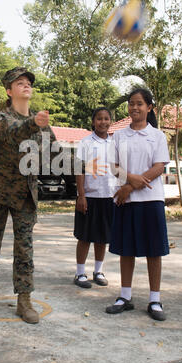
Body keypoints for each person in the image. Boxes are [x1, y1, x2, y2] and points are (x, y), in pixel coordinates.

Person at [0, 67, 56, 324]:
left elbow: (55, 154)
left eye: (28, 82)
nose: (26, 85)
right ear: (9, 91)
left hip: (24, 195)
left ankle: (24, 300)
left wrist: (88, 165)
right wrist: (34, 123)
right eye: (19, 83)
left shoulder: (40, 122)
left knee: (24, 248)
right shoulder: (1, 118)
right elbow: (11, 134)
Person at [105, 87, 170, 321]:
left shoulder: (157, 136)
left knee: (154, 251)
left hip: (150, 200)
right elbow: (113, 167)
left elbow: (159, 166)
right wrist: (129, 180)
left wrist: (129, 186)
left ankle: (154, 299)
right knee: (126, 249)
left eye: (140, 103)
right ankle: (124, 296)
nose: (135, 107)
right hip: (126, 201)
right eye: (131, 103)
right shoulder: (119, 136)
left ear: (149, 107)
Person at [73, 107, 117, 288]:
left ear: (110, 122)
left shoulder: (115, 143)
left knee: (102, 237)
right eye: (99, 119)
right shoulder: (85, 143)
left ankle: (98, 271)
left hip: (109, 196)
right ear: (93, 122)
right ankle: (79, 273)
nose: (103, 122)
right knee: (85, 237)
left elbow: (119, 170)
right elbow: (79, 170)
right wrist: (81, 195)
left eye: (106, 119)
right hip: (90, 196)